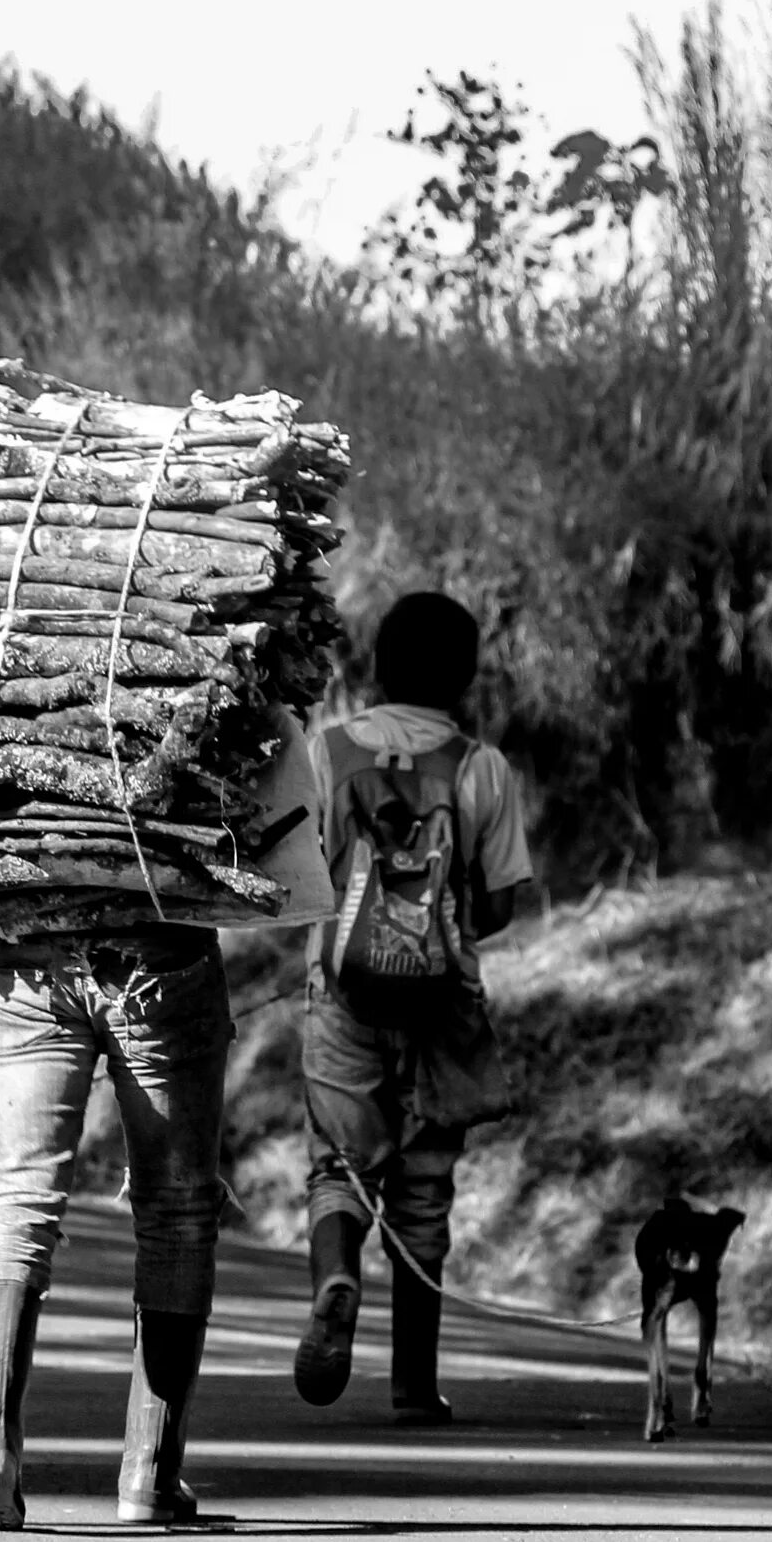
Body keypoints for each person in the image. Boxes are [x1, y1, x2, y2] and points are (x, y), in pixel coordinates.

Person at [0, 720, 332, 1533]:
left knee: (15, 1194)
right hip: (164, 954)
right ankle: (150, 1473)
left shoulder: (6, 675)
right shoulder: (213, 684)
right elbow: (287, 838)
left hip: (32, 951)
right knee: (177, 1208)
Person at [294, 591, 531, 1424]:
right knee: (424, 1189)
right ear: (463, 675)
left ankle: (336, 1278)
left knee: (339, 1167)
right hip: (443, 1005)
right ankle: (412, 1385)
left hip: (340, 997)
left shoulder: (324, 754)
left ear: (377, 663)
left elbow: (295, 880)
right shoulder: (482, 768)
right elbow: (500, 906)